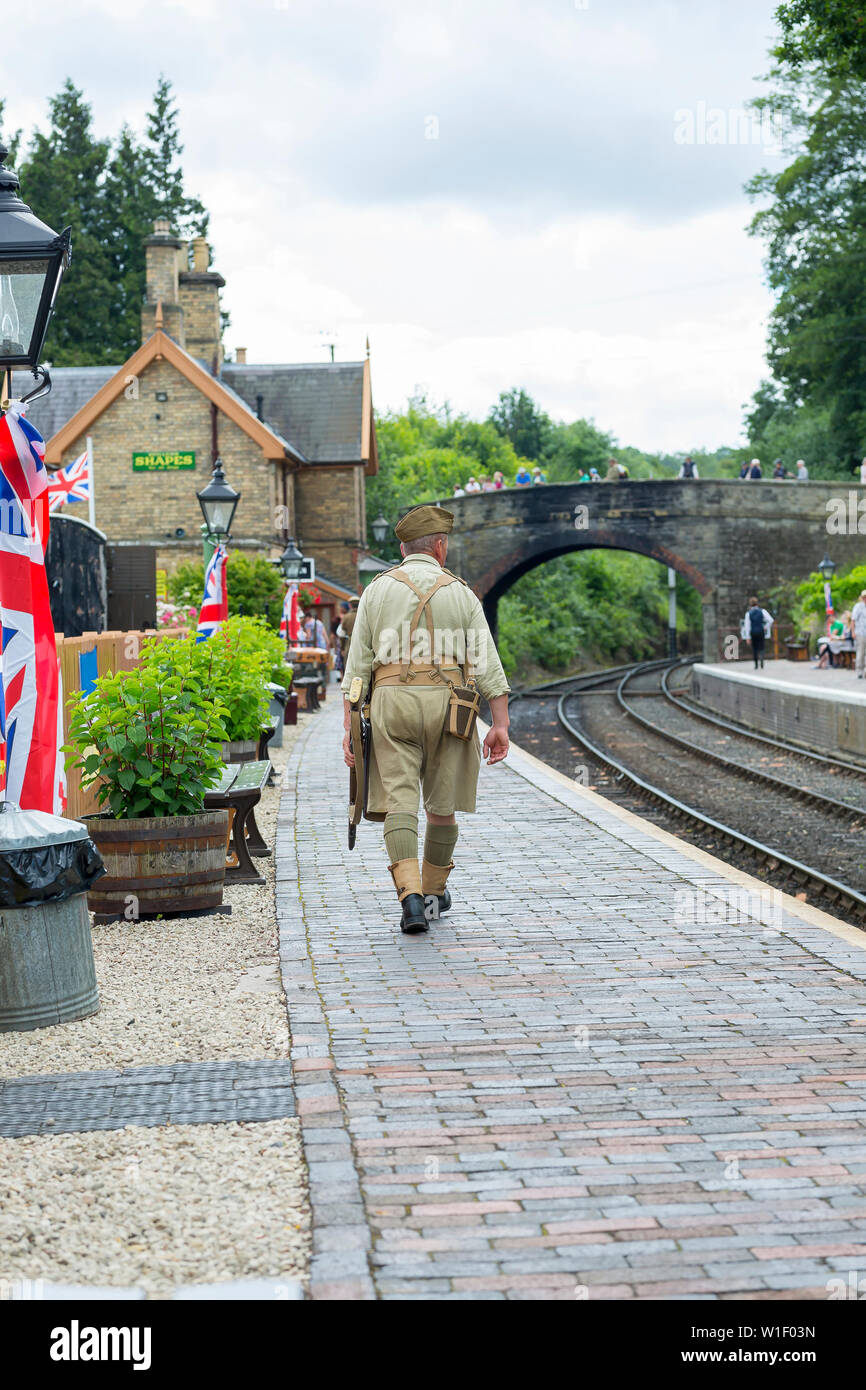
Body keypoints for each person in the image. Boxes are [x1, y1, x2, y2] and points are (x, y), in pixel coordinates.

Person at [341, 504, 510, 935]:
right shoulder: (461, 592)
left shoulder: (377, 591)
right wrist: (501, 725)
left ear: (403, 548)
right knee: (441, 804)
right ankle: (434, 894)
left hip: (391, 702)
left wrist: (350, 728)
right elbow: (486, 663)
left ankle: (410, 900)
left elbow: (357, 667)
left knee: (399, 801)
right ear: (439, 546)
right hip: (451, 704)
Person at [741, 596, 773, 669]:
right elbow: (771, 620)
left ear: (750, 604)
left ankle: (756, 664)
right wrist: (766, 627)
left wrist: (748, 637)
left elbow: (747, 626)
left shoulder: (748, 613)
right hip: (761, 631)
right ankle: (761, 657)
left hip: (753, 632)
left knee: (754, 648)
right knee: (761, 646)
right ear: (757, 603)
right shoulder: (762, 611)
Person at [852, 590, 866, 678]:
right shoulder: (858, 607)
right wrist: (853, 632)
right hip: (860, 633)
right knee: (860, 652)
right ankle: (859, 671)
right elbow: (853, 620)